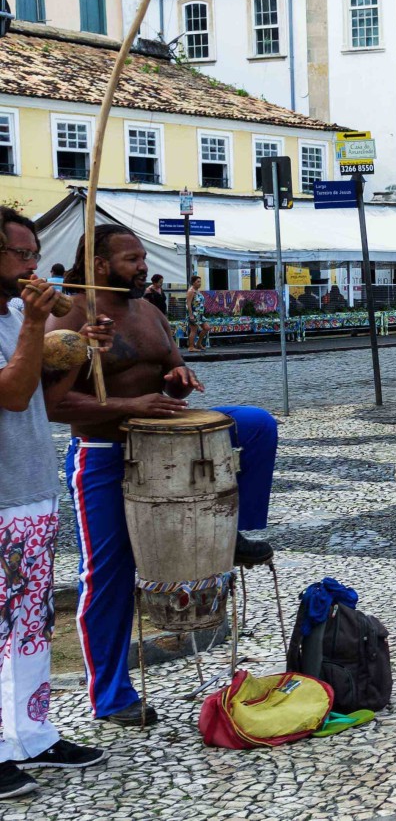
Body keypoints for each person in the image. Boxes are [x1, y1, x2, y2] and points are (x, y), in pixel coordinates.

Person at [46, 225, 279, 727]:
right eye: (131, 259)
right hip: (106, 452)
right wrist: (129, 405)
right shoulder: (69, 314)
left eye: (143, 257)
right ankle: (111, 696)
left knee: (257, 425)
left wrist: (180, 380)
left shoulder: (149, 311)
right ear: (100, 264)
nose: (143, 267)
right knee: (106, 575)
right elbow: (54, 405)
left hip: (168, 439)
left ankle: (235, 534)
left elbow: (174, 377)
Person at [0, 208, 113, 798]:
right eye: (21, 255)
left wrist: (81, 352)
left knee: (31, 623)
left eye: (34, 255)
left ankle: (33, 733)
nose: (33, 267)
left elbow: (43, 400)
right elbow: (12, 395)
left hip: (30, 488)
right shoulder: (20, 319)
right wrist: (35, 325)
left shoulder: (14, 314)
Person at [185, 274, 210, 352]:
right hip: (194, 314)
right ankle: (191, 347)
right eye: (198, 282)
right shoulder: (191, 291)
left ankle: (199, 343)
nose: (200, 283)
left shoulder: (197, 291)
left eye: (200, 282)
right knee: (194, 330)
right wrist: (191, 315)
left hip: (200, 314)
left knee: (206, 328)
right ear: (193, 283)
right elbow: (188, 304)